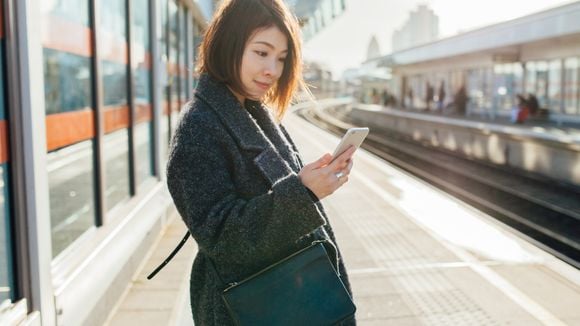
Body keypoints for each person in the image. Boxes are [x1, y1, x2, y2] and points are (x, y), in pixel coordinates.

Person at [165, 0, 356, 325]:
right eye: (261, 52)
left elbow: (273, 194)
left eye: (281, 58)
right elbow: (222, 239)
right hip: (251, 308)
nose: (273, 69)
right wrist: (303, 193)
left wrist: (312, 182)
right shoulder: (198, 129)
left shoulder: (254, 113)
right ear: (229, 44)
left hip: (294, 298)